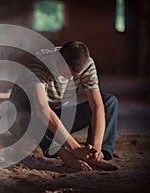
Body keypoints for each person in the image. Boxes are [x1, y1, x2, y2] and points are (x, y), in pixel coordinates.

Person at [9, 41, 119, 171]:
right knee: (24, 111)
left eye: (74, 76)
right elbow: (41, 109)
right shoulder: (38, 64)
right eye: (67, 74)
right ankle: (64, 154)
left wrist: (95, 149)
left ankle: (97, 158)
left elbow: (97, 107)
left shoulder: (87, 64)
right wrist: (74, 149)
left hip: (53, 117)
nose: (69, 79)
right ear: (58, 60)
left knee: (109, 102)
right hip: (23, 119)